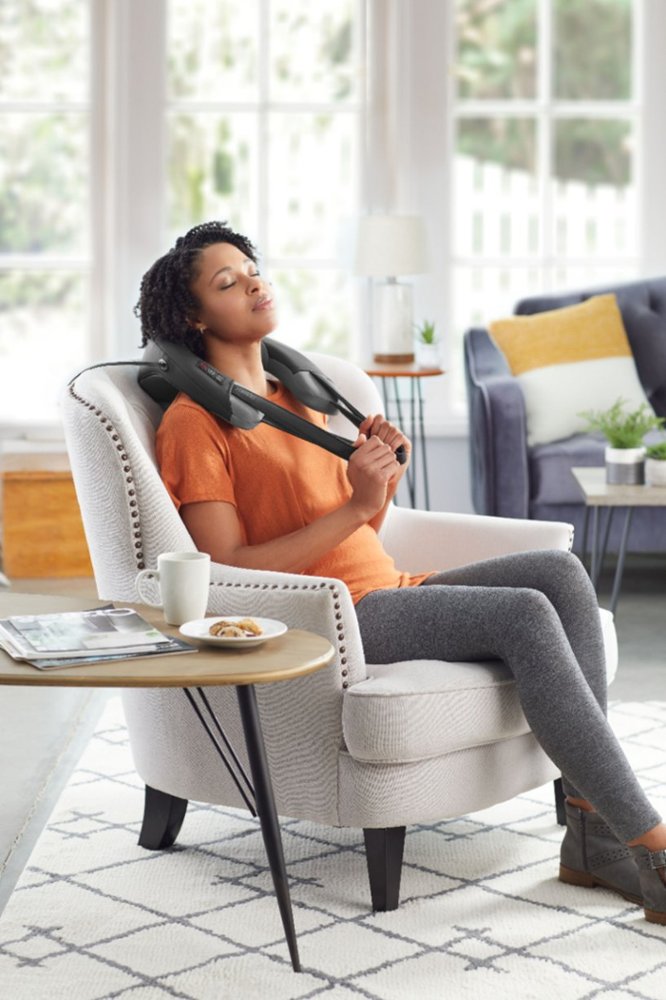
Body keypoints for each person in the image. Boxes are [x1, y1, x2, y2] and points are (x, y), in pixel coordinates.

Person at [136, 220, 666, 924]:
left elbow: (364, 532)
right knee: (524, 613)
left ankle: (592, 836)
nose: (255, 284)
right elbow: (228, 570)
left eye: (252, 270)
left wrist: (379, 485)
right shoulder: (194, 423)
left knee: (560, 574)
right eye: (228, 282)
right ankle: (651, 844)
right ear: (193, 318)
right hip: (333, 618)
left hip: (387, 591)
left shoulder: (303, 399)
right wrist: (358, 504)